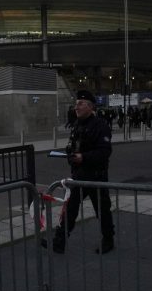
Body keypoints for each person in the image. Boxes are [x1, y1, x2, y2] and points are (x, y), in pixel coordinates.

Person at [43, 90, 114, 254]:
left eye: (80, 103)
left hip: (96, 177)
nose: (76, 106)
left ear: (90, 106)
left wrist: (84, 157)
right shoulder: (77, 125)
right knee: (70, 210)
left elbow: (104, 152)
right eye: (76, 104)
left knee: (103, 211)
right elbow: (73, 147)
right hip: (79, 176)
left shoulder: (100, 126)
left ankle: (108, 240)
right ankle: (59, 242)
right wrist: (70, 156)